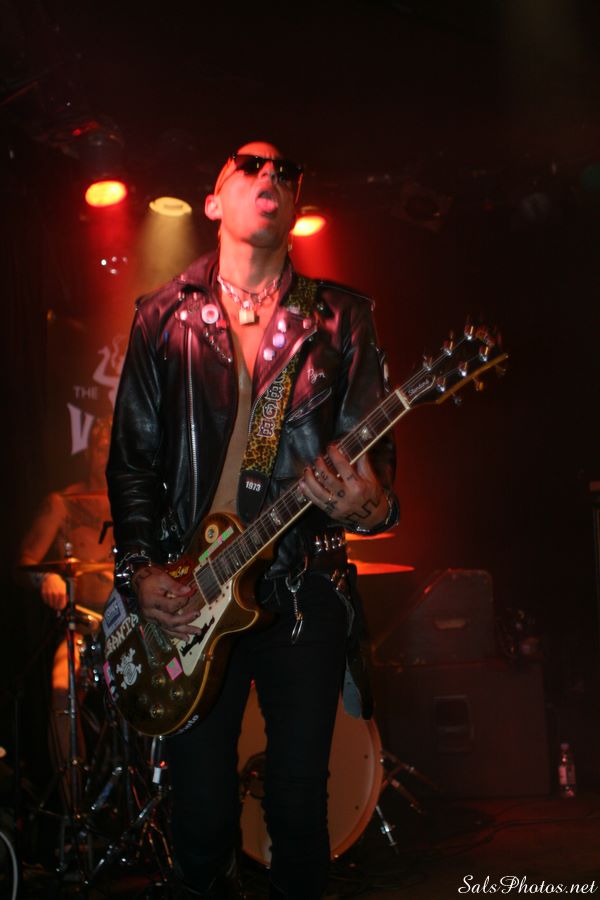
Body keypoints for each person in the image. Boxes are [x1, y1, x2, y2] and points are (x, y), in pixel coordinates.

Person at [106, 141, 398, 899]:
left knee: (299, 804)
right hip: (193, 593)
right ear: (212, 202)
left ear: (296, 205)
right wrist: (139, 571)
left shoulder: (340, 319)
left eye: (285, 172)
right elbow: (132, 461)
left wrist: (369, 505)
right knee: (201, 817)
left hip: (303, 590)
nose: (271, 175)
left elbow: (378, 477)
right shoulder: (162, 317)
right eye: (249, 165)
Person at [16, 417, 113, 797]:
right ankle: (74, 804)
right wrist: (47, 578)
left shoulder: (137, 501)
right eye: (102, 447)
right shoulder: (65, 503)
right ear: (89, 451)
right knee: (62, 688)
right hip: (84, 624)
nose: (108, 454)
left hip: (134, 625)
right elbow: (25, 561)